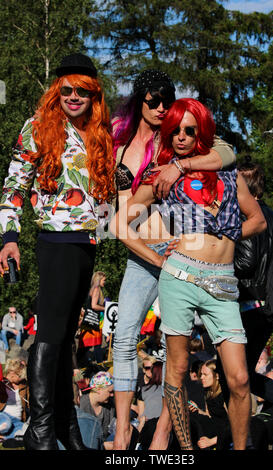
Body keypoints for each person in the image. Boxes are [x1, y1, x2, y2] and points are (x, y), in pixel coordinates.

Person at [112, 97, 267, 449]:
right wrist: (156, 258)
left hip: (223, 282)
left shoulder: (227, 174)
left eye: (189, 130)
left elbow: (257, 220)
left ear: (200, 133)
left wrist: (224, 234)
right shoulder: (161, 177)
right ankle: (184, 451)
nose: (181, 137)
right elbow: (120, 223)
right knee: (178, 372)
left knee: (240, 378)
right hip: (179, 275)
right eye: (174, 131)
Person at [0, 53, 115, 450]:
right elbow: (13, 186)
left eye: (82, 90)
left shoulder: (100, 133)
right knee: (49, 334)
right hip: (54, 238)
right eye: (66, 89)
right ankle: (40, 430)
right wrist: (8, 237)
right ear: (57, 90)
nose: (73, 96)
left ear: (93, 94)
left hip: (88, 242)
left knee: (67, 337)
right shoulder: (38, 127)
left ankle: (66, 427)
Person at [223, 157, 273, 450]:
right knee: (241, 376)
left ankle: (241, 441)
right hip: (271, 309)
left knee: (233, 377)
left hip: (247, 306)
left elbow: (244, 263)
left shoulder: (244, 216)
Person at [188, 359, 231, 450]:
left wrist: (211, 441)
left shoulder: (225, 395)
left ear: (217, 376)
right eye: (201, 374)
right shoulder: (208, 392)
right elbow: (210, 416)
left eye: (205, 375)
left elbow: (235, 426)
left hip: (225, 437)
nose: (201, 377)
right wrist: (198, 410)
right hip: (214, 432)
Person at [79, 371, 116, 449]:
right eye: (110, 392)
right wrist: (103, 446)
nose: (112, 395)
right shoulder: (81, 405)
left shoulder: (110, 405)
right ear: (99, 389)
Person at [77, 271, 107, 366]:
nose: (105, 282)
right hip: (92, 321)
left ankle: (78, 364)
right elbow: (94, 306)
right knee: (95, 344)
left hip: (88, 321)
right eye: (104, 280)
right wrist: (106, 308)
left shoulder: (92, 289)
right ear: (99, 279)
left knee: (86, 345)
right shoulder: (97, 289)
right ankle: (99, 365)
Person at [0, 359, 29, 441]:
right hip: (3, 415)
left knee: (27, 431)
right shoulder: (2, 383)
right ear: (12, 374)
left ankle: (4, 437)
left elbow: (30, 403)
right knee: (6, 424)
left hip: (16, 421)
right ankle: (8, 435)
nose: (22, 378)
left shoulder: (24, 385)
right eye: (20, 376)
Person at [137, 361, 163, 431]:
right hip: (164, 428)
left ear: (152, 373)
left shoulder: (144, 390)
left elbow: (141, 417)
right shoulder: (171, 391)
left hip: (147, 428)